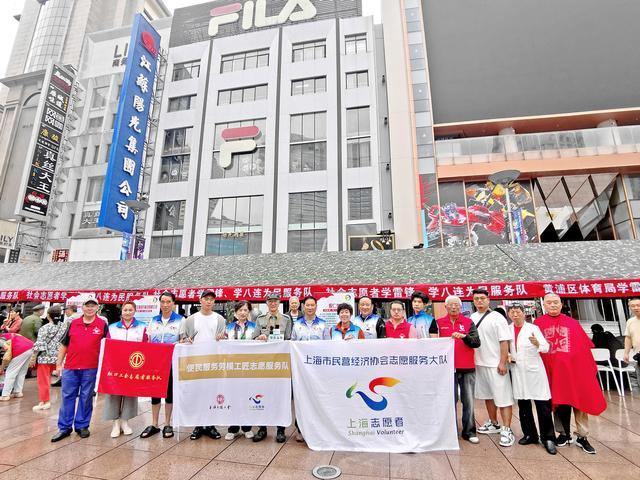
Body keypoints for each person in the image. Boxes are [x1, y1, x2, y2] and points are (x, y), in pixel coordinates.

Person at [535, 293, 606, 454]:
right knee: (558, 401)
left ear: (561, 305)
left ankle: (582, 436)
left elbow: (583, 348)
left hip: (574, 371)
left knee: (579, 402)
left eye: (556, 302)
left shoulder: (573, 323)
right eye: (549, 303)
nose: (553, 305)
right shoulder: (538, 324)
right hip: (552, 371)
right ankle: (563, 433)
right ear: (544, 305)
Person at [51, 298, 109, 442]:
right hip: (71, 367)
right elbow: (64, 345)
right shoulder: (73, 323)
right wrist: (58, 365)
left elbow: (108, 347)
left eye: (93, 306)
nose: (90, 308)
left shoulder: (102, 325)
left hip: (91, 368)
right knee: (67, 397)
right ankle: (64, 428)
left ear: (98, 308)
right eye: (87, 306)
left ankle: (82, 425)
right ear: (82, 308)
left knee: (86, 397)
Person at [507, 303, 556, 455]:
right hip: (517, 371)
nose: (515, 315)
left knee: (542, 405)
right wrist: (508, 356)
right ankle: (530, 434)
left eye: (518, 312)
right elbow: (505, 348)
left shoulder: (533, 328)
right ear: (509, 314)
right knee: (523, 405)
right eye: (512, 312)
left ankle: (548, 438)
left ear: (523, 313)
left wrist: (537, 343)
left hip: (534, 371)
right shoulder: (508, 329)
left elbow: (546, 347)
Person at [471, 289, 515, 448]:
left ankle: (507, 428)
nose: (479, 301)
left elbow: (504, 341)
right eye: (476, 299)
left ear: (488, 300)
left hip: (495, 364)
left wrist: (502, 362)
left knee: (503, 397)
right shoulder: (472, 317)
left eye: (482, 298)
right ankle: (494, 423)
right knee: (487, 395)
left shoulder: (497, 318)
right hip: (479, 363)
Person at [180, 290, 226, 441]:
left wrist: (222, 338)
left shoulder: (220, 319)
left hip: (213, 363)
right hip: (196, 363)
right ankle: (198, 425)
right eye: (206, 299)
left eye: (211, 299)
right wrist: (186, 339)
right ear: (200, 300)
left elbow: (223, 340)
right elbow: (184, 339)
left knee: (212, 394)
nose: (208, 302)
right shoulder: (191, 319)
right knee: (197, 394)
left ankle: (211, 425)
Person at [436, 295, 481, 444]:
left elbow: (476, 342)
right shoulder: (438, 323)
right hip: (447, 369)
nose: (453, 307)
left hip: (467, 367)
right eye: (450, 305)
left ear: (461, 307)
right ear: (446, 307)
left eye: (456, 305)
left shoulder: (468, 322)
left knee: (468, 401)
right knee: (450, 400)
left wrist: (464, 336)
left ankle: (469, 431)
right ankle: (451, 431)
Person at [141, 291, 183, 439]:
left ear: (173, 303)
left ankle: (167, 424)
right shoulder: (153, 320)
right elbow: (148, 340)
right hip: (155, 362)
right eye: (163, 302)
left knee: (169, 393)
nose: (165, 305)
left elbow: (183, 341)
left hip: (171, 362)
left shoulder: (180, 320)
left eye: (168, 302)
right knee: (155, 392)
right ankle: (154, 424)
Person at [104, 301, 148, 438]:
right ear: (121, 311)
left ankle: (125, 421)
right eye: (125, 310)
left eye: (130, 310)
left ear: (134, 311)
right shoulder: (112, 328)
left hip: (134, 367)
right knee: (114, 394)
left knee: (130, 394)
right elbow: (108, 347)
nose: (127, 312)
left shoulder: (142, 327)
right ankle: (115, 422)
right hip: (116, 366)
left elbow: (146, 345)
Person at [254, 292, 292, 443]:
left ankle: (280, 429)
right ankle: (262, 429)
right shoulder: (260, 319)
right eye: (270, 301)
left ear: (279, 302)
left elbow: (289, 339)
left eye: (275, 301)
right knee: (262, 395)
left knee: (280, 396)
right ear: (266, 303)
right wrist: (259, 337)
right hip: (264, 364)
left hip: (280, 364)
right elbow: (254, 338)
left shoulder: (287, 320)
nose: (273, 303)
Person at [290, 295, 326, 442]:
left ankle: (318, 429)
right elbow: (293, 344)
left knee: (317, 398)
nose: (310, 307)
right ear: (303, 307)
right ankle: (300, 429)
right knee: (301, 398)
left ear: (316, 306)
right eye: (307, 305)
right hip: (301, 369)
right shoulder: (297, 324)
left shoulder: (324, 324)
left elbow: (327, 346)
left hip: (318, 369)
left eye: (312, 305)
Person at [224, 301, 260, 441]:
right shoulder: (228, 328)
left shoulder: (254, 327)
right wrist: (220, 339)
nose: (243, 313)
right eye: (240, 310)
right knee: (233, 397)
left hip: (248, 367)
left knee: (247, 396)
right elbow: (223, 346)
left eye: (245, 310)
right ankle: (232, 428)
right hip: (232, 367)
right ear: (235, 313)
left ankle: (246, 427)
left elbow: (257, 343)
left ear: (249, 312)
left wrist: (261, 338)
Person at [30, 305, 66, 411]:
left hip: (45, 357)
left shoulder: (44, 328)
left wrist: (33, 358)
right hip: (58, 357)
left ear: (49, 316)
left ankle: (45, 401)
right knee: (54, 378)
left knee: (43, 380)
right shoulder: (64, 326)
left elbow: (39, 345)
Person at [0, 332, 34, 400]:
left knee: (10, 372)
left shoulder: (1, 339)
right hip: (31, 346)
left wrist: (2, 368)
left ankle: (5, 395)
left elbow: (7, 353)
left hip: (21, 349)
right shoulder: (9, 335)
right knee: (21, 372)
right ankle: (18, 392)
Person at [623, 297, 640, 386]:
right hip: (638, 356)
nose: (636, 308)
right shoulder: (630, 321)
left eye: (638, 305)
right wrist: (626, 353)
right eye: (633, 306)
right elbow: (628, 338)